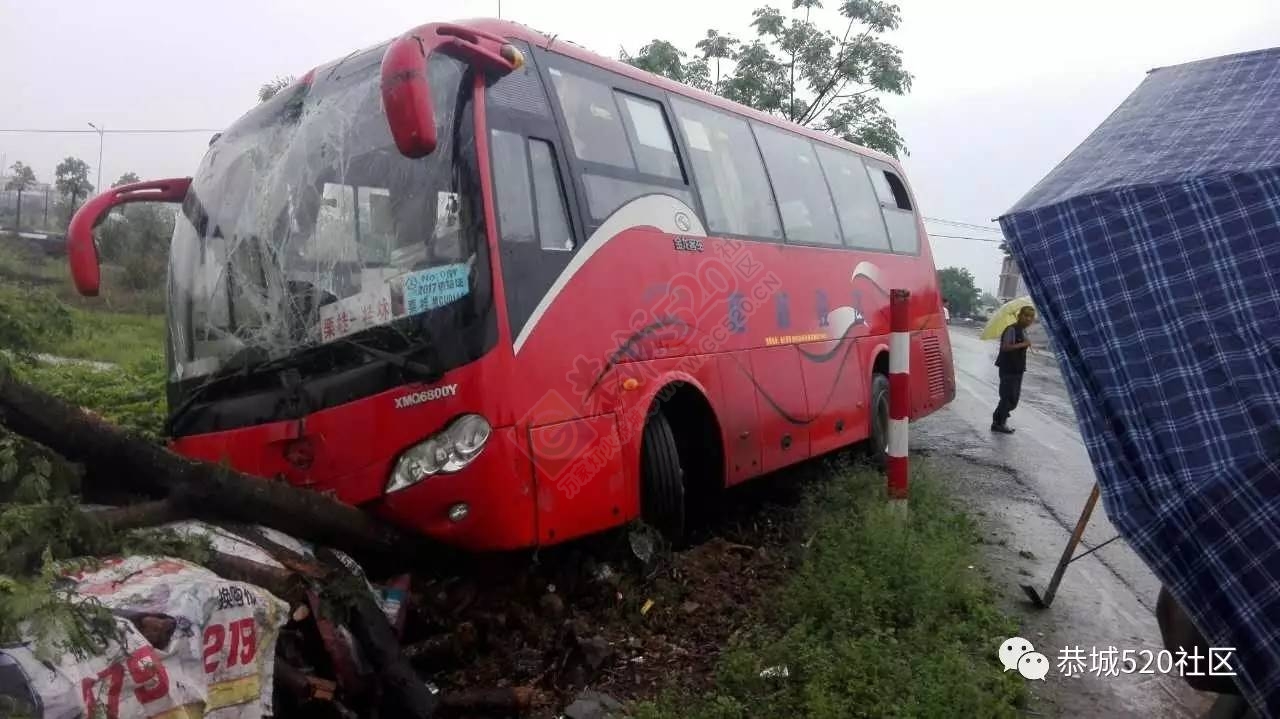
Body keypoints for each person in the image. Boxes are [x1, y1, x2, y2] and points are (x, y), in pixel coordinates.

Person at [992, 306, 1036, 434]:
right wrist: (1023, 344)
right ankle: (999, 423)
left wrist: (1026, 344)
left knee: (1013, 399)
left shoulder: (1023, 331)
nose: (1028, 319)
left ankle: (998, 421)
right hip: (1008, 368)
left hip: (1018, 369)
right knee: (1007, 397)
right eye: (1026, 315)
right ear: (1019, 316)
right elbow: (1006, 347)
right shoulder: (1011, 329)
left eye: (1031, 317)